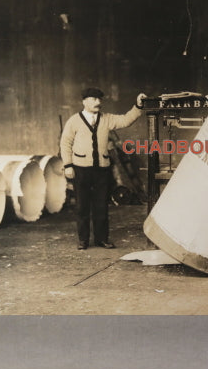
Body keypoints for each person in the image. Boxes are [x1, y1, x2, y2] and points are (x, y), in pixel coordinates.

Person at [60, 87, 147, 250]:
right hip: (80, 169)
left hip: (102, 170)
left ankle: (102, 239)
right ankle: (83, 240)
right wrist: (68, 165)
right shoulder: (74, 121)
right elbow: (65, 143)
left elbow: (126, 120)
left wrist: (138, 106)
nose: (98, 102)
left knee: (101, 206)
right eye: (94, 99)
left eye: (100, 99)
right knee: (82, 206)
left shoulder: (107, 119)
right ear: (84, 101)